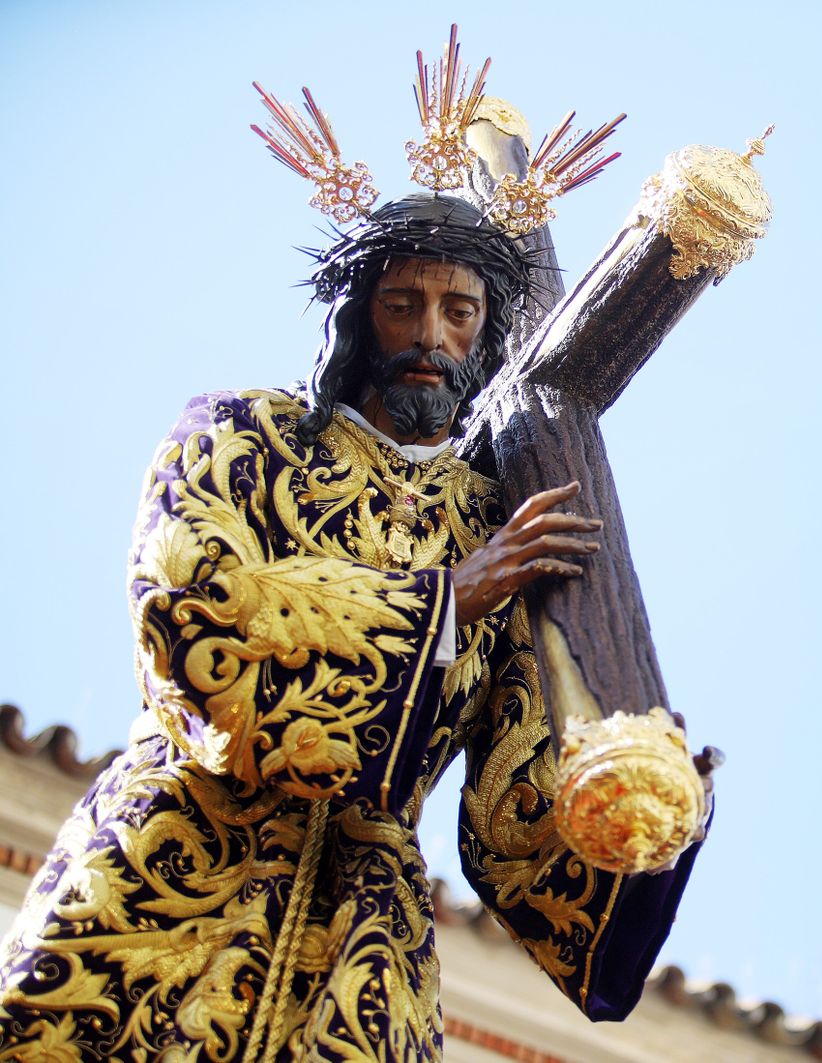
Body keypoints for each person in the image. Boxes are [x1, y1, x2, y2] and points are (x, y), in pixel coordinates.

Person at [0, 194, 710, 1061]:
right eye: (402, 303)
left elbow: (511, 815)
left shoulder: (497, 524)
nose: (429, 335)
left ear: (487, 336)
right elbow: (193, 606)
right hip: (172, 869)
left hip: (365, 943)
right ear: (358, 319)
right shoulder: (245, 435)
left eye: (459, 311)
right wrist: (447, 601)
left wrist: (635, 791)